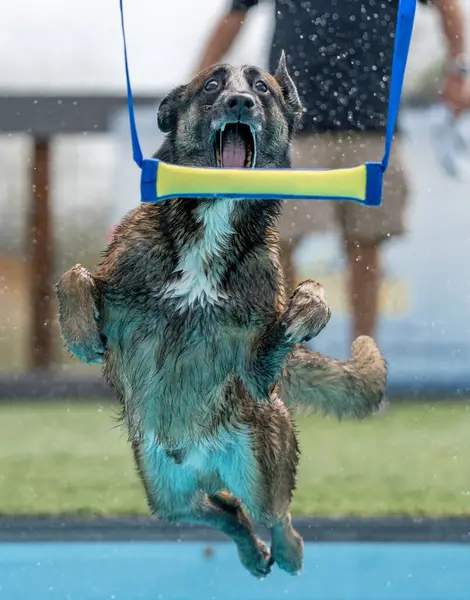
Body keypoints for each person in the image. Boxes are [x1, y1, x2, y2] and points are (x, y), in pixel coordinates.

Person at [193, 0, 470, 341]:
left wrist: (460, 71)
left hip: (372, 127)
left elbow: (447, 6)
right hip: (292, 127)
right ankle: (286, 363)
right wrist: (198, 89)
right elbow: (234, 15)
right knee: (280, 243)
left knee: (365, 247)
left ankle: (362, 371)